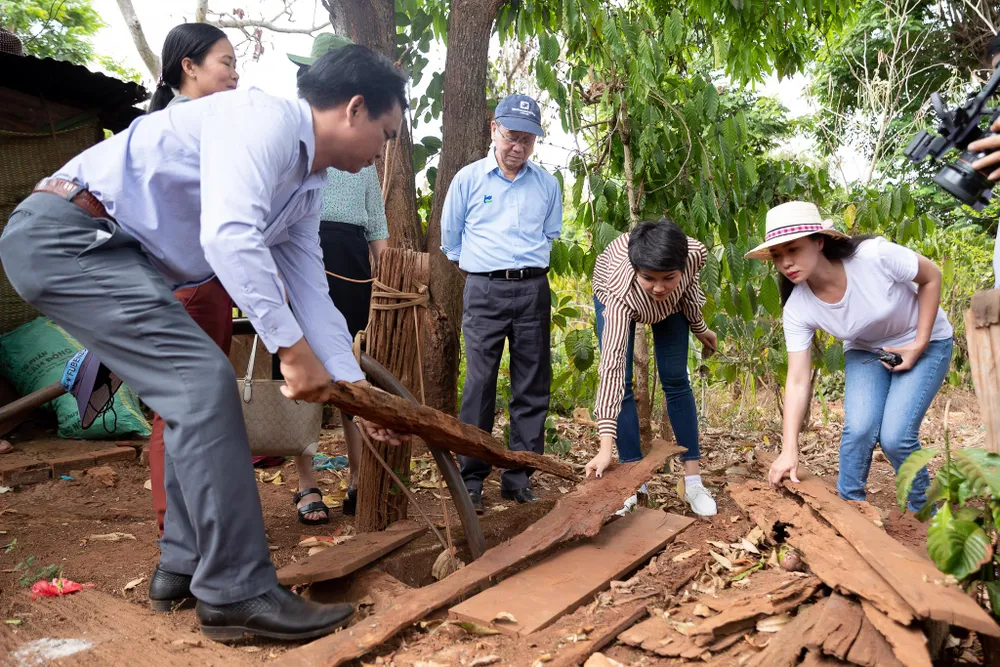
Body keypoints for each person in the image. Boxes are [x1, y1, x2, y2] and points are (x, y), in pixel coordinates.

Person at [0, 44, 407, 641]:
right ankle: (236, 592)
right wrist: (290, 350)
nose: (383, 151)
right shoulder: (264, 120)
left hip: (113, 253)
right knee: (202, 383)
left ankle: (184, 567)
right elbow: (229, 236)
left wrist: (354, 391)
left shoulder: (306, 183)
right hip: (69, 235)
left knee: (193, 392)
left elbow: (310, 290)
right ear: (354, 108)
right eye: (386, 134)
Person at [751, 201, 953, 512]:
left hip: (926, 339)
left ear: (819, 241)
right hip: (867, 349)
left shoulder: (873, 256)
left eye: (793, 249)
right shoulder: (798, 307)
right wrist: (789, 449)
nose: (786, 262)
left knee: (896, 437)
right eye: (777, 255)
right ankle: (850, 508)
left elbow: (932, 276)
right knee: (859, 429)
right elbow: (797, 379)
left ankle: (924, 511)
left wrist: (919, 343)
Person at [281, 34, 390, 524]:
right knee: (296, 370)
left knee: (348, 363)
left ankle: (357, 476)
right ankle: (306, 482)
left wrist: (386, 273)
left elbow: (376, 223)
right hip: (296, 257)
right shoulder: (289, 144)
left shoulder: (358, 154)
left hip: (348, 265)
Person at [440, 94, 562, 512]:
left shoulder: (547, 185)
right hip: (484, 290)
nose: (518, 147)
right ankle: (471, 479)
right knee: (479, 384)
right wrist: (487, 273)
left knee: (532, 384)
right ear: (494, 129)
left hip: (533, 291)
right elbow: (451, 243)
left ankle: (519, 478)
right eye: (512, 136)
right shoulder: (468, 180)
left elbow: (549, 235)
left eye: (527, 139)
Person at [145, 23, 239, 538]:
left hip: (198, 283)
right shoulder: (190, 126)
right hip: (192, 284)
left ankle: (190, 524)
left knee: (190, 404)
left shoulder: (171, 123)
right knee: (185, 406)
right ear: (190, 66)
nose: (234, 73)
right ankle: (177, 529)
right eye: (226, 61)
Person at [587, 220, 719, 517]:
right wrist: (605, 448)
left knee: (676, 380)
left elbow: (688, 290)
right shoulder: (619, 292)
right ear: (636, 270)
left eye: (668, 278)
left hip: (673, 308)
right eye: (649, 278)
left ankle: (693, 483)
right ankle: (633, 483)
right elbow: (611, 368)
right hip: (619, 295)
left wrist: (700, 327)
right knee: (623, 383)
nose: (659, 288)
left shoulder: (694, 255)